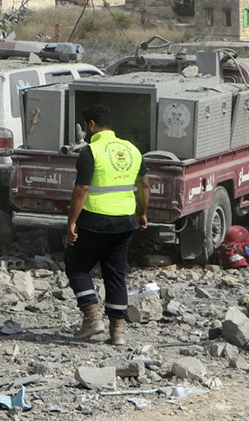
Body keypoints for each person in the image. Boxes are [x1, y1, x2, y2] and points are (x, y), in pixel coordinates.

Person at [65, 104, 149, 345]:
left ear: (91, 125)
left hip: (95, 221)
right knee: (115, 275)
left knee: (76, 266)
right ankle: (118, 332)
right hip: (125, 223)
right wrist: (141, 214)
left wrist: (71, 222)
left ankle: (92, 319)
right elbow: (144, 185)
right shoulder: (132, 150)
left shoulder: (90, 151)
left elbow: (82, 188)